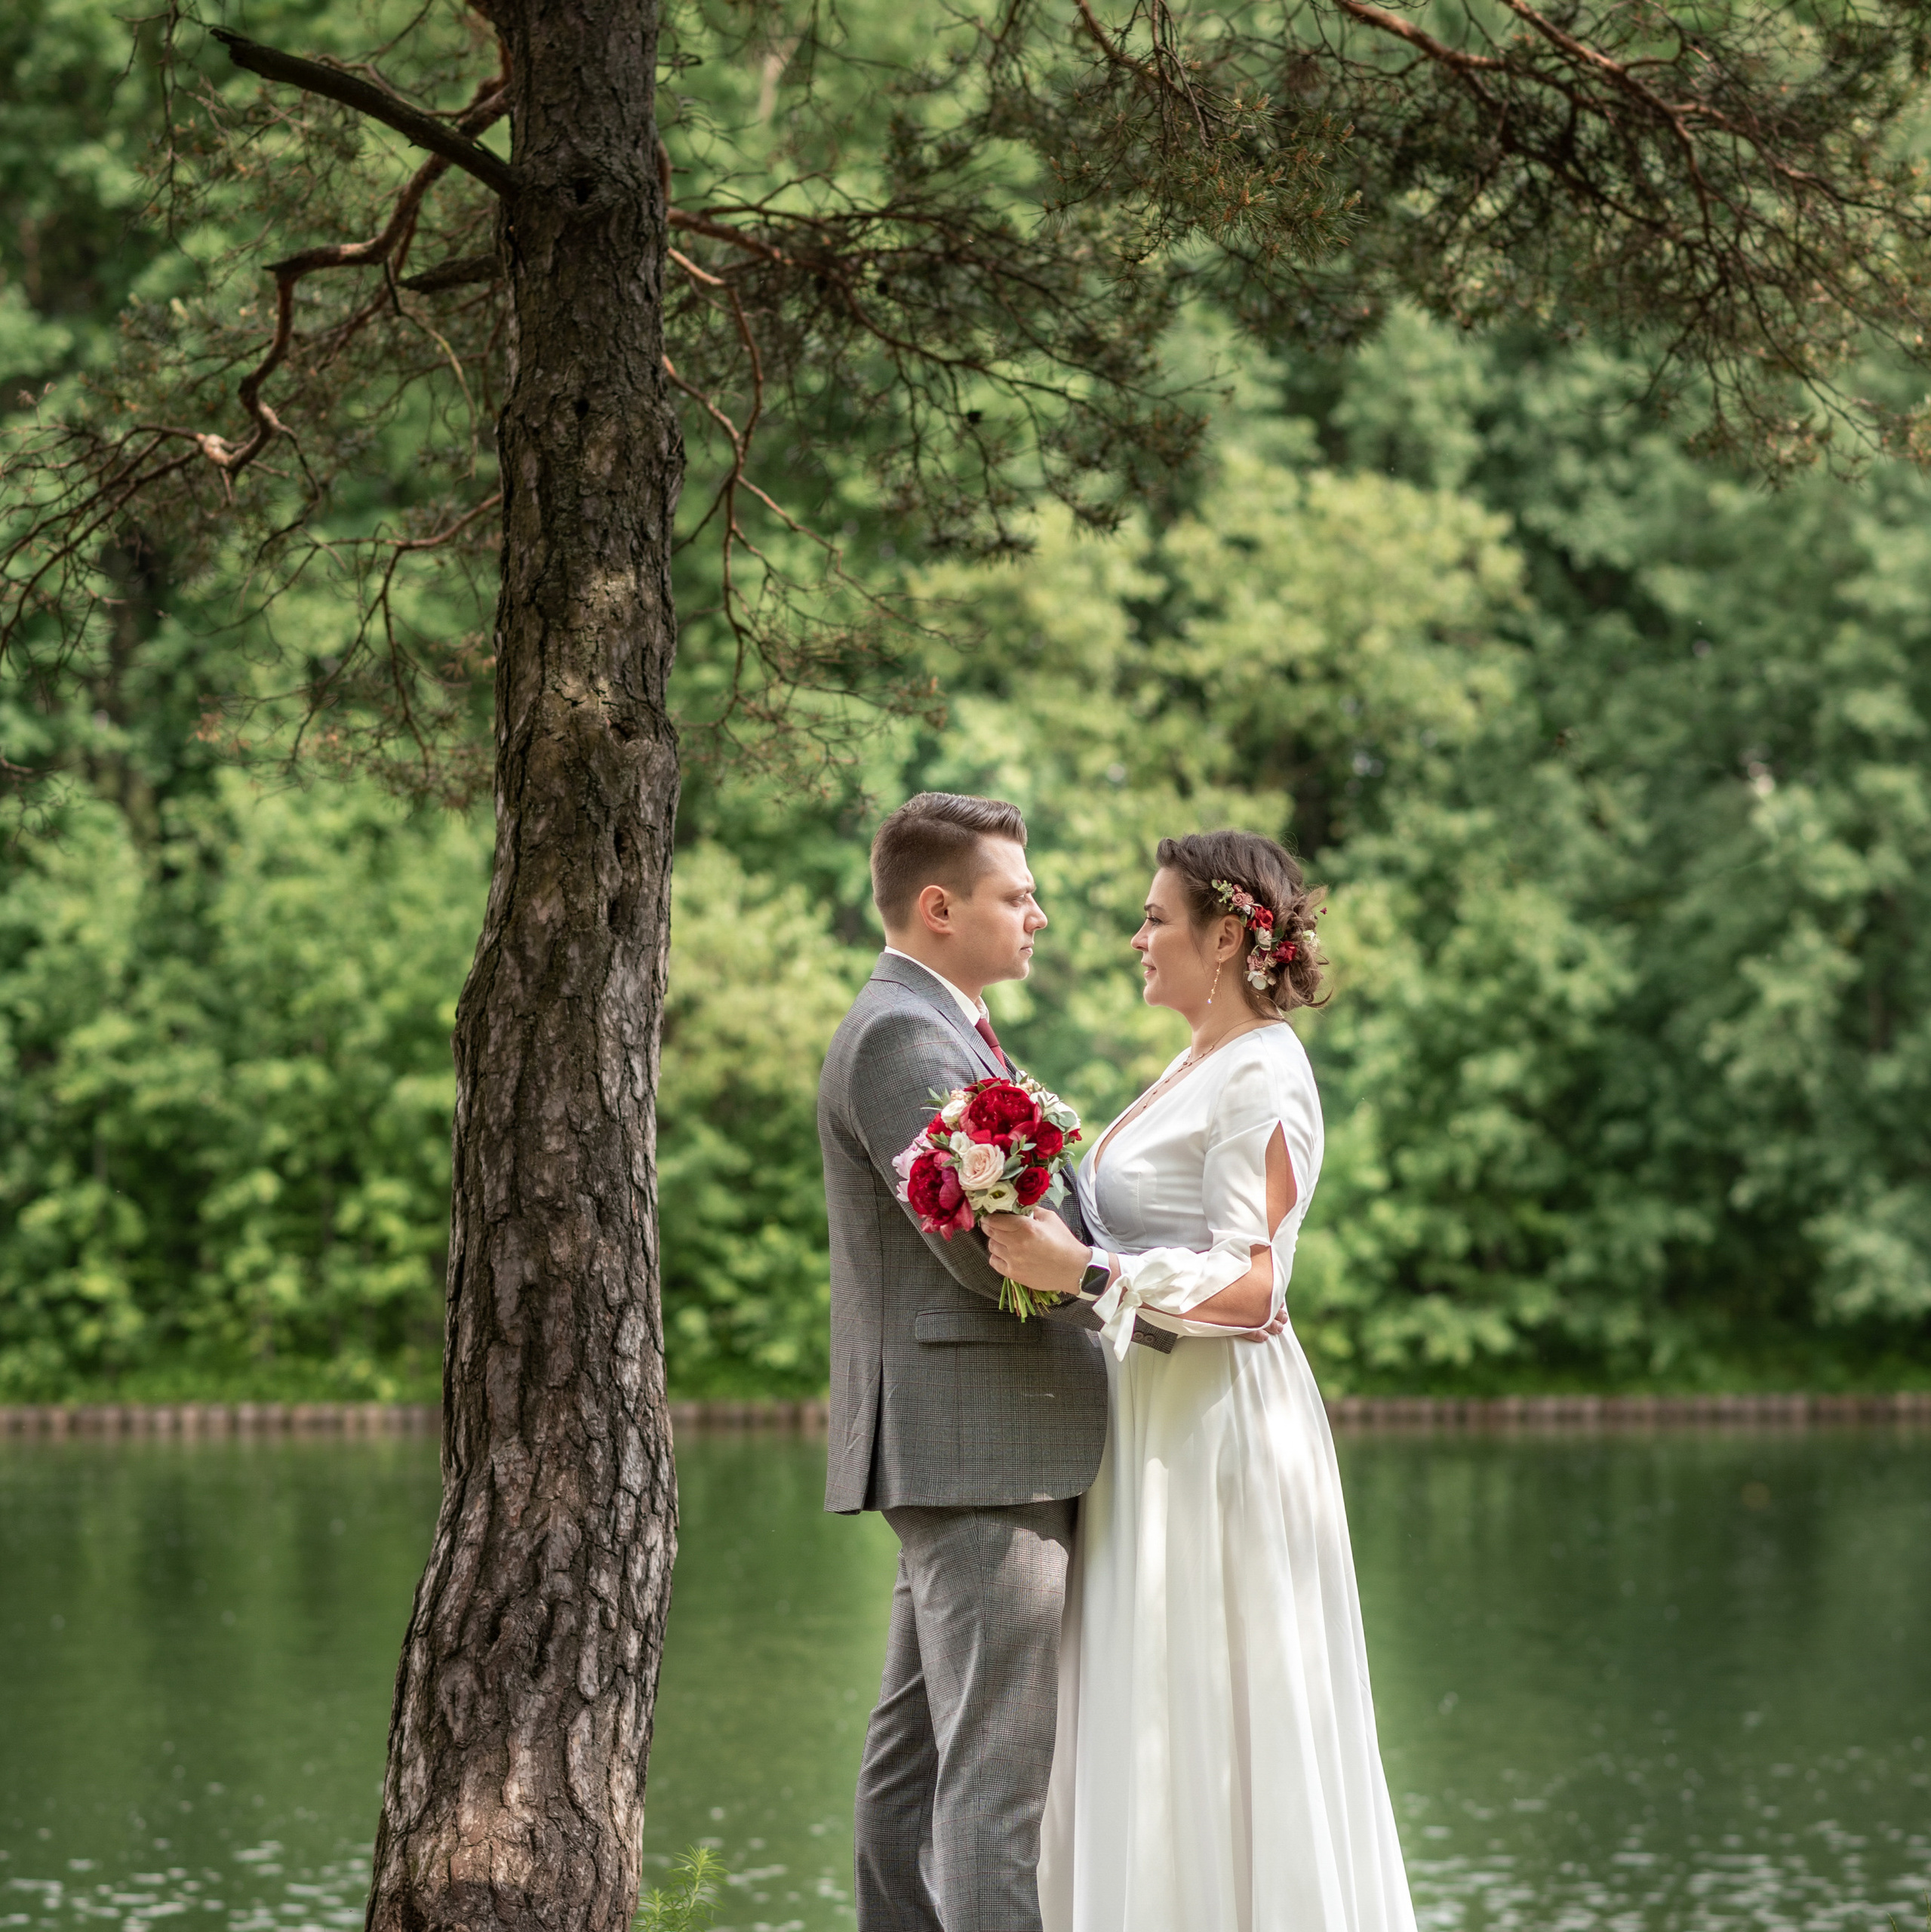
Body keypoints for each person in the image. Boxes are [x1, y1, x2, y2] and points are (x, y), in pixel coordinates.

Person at [986, 829, 1419, 1932]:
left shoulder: (1268, 1070)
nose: (1136, 938)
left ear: (1226, 937)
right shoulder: (1196, 1062)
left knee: (1219, 1710)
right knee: (1151, 1709)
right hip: (1149, 1420)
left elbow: (1256, 1288)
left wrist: (1080, 1268)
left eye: (1155, 919)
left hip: (1219, 1432)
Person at [818, 791, 1188, 1932]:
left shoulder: (942, 1024)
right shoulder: (902, 1036)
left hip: (966, 1444)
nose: (1039, 916)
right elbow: (991, 1259)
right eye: (1014, 896)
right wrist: (1154, 1303)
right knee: (994, 1785)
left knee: (916, 1767)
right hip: (985, 1448)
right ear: (939, 907)